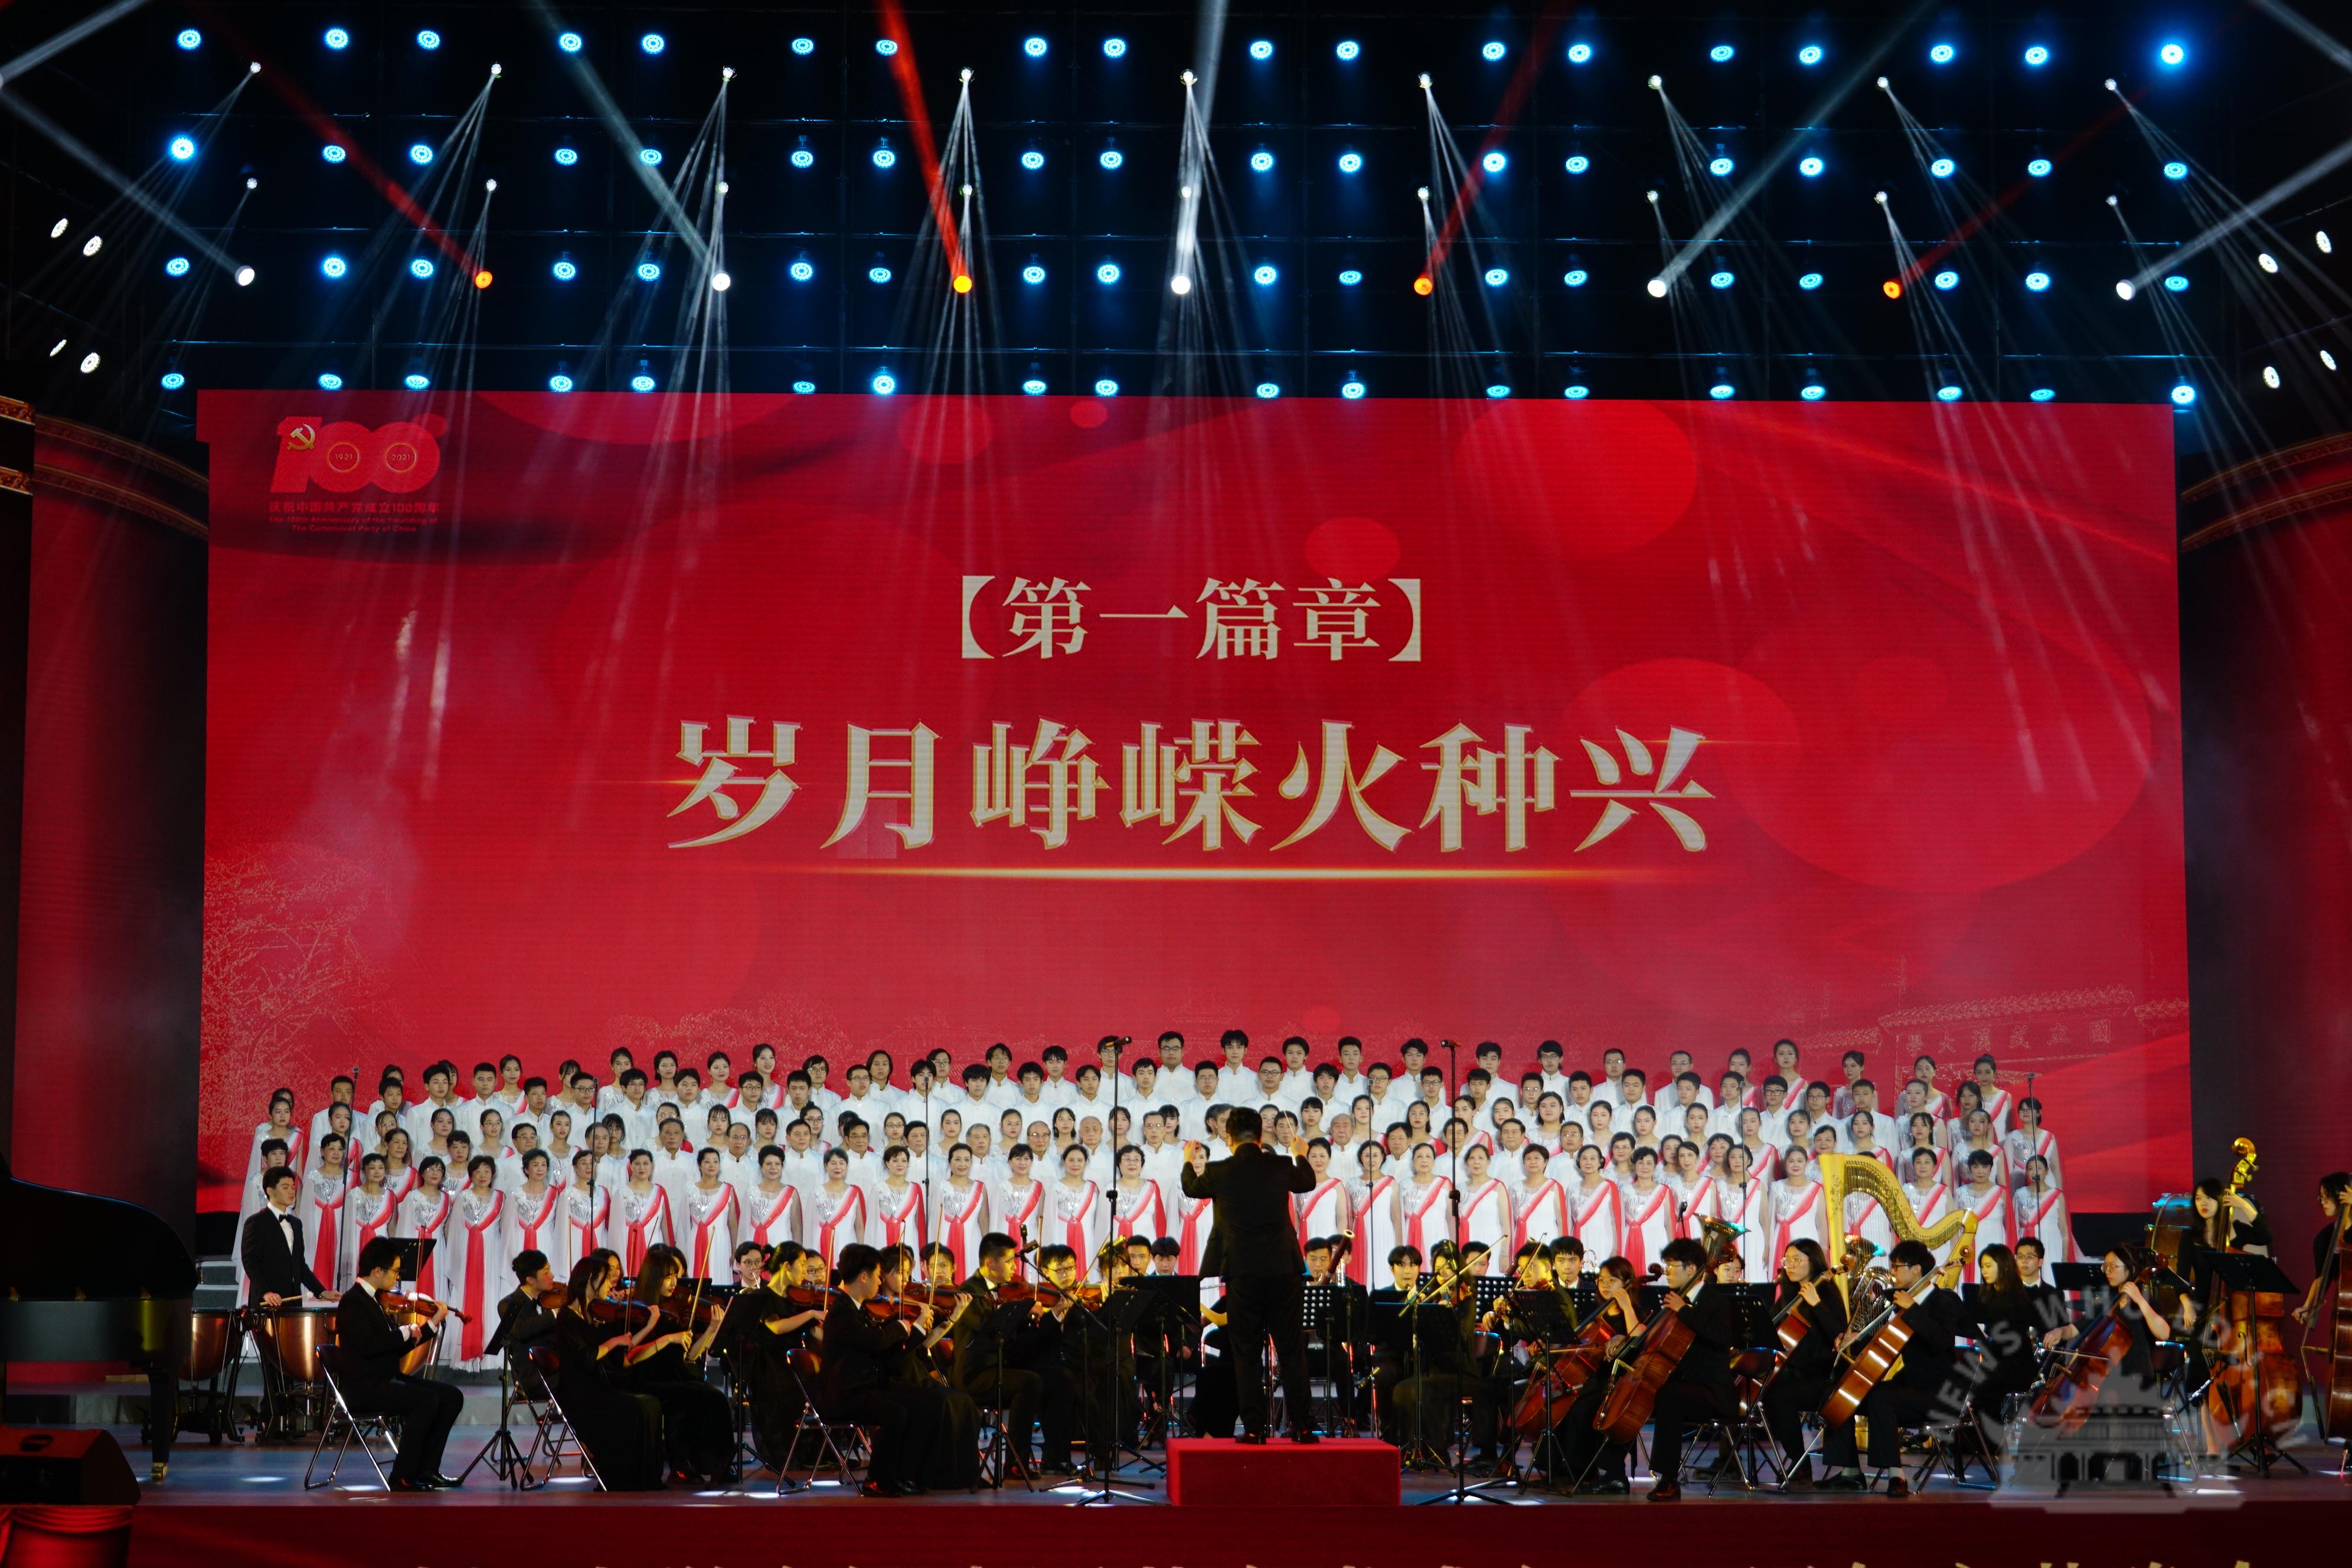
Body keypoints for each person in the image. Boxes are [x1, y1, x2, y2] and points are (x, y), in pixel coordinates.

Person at [1179, 1105, 1318, 1443]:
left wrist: (1187, 1160)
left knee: (1246, 1352)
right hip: (1284, 1270)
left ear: (1229, 1137)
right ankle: (1303, 1426)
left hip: (1242, 1272)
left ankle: (1255, 1429)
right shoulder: (1281, 1165)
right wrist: (1300, 1153)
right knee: (1291, 1349)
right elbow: (1307, 1181)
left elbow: (1191, 1187)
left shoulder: (1219, 1170)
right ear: (1260, 1135)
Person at [1818, 1239, 1966, 1495]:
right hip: (1909, 1386)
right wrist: (1854, 1337)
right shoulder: (1899, 1300)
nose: (1893, 1272)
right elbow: (1880, 1335)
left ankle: (1896, 1476)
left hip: (1940, 1391)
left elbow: (1940, 1339)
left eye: (1897, 1267)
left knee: (1882, 1397)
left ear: (1917, 1269)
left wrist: (1913, 1309)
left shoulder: (1945, 1301)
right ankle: (1850, 1472)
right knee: (1841, 1394)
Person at [335, 1235, 463, 1491]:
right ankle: (403, 1475)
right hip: (364, 1387)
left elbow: (393, 1347)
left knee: (452, 1397)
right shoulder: (353, 1302)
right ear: (377, 1271)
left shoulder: (376, 1299)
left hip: (385, 1378)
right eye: (395, 1271)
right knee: (426, 1400)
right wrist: (404, 1332)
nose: (397, 1277)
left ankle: (427, 1470)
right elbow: (370, 1346)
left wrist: (430, 1325)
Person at [824, 1243, 944, 1495]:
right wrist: (900, 1327)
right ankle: (876, 1480)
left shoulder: (859, 1310)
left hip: (869, 1386)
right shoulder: (842, 1312)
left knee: (929, 1405)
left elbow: (885, 1356)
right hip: (847, 1394)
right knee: (896, 1413)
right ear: (864, 1276)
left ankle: (903, 1475)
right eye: (878, 1276)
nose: (880, 1282)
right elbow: (874, 1343)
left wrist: (916, 1330)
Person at [955, 1230, 1072, 1478]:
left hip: (1003, 1366)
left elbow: (1020, 1339)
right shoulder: (969, 1291)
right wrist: (1020, 1310)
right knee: (1030, 1381)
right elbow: (987, 1325)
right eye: (1008, 1261)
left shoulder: (1007, 1289)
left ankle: (1056, 1458)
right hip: (977, 1372)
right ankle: (1016, 1462)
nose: (1014, 1267)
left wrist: (1043, 1314)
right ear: (990, 1263)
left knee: (1060, 1377)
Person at [552, 1248, 668, 1488]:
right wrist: (614, 1341)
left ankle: (646, 1476)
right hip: (580, 1393)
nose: (610, 1284)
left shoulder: (591, 1314)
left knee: (652, 1403)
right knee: (636, 1407)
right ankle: (624, 1476)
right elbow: (588, 1356)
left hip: (598, 1386)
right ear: (591, 1280)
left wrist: (648, 1327)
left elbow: (619, 1354)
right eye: (605, 1279)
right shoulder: (568, 1316)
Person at [619, 1243, 734, 1484]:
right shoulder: (639, 1312)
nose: (674, 1283)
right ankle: (680, 1465)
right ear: (654, 1279)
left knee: (715, 1397)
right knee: (690, 1398)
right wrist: (667, 1339)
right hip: (647, 1379)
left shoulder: (676, 1311)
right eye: (667, 1277)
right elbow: (632, 1357)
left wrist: (712, 1329)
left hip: (677, 1375)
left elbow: (690, 1356)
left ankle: (719, 1463)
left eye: (675, 1276)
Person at [1758, 1239, 1848, 1487]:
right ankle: (1797, 1461)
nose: (1791, 1265)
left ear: (1814, 1262)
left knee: (1778, 1395)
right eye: (1787, 1260)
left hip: (1822, 1376)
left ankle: (1800, 1463)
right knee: (1767, 1391)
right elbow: (1770, 1328)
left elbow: (1838, 1334)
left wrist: (1815, 1303)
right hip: (1795, 1372)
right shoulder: (1789, 1294)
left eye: (1798, 1260)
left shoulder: (1826, 1292)